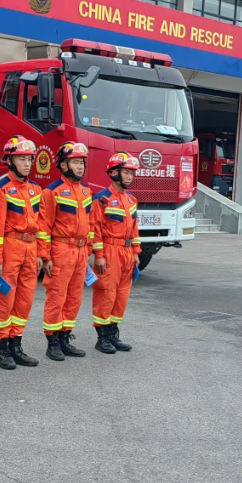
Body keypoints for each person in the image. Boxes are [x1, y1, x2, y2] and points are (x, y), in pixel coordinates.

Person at [0, 136, 44, 369]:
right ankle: (3, 349)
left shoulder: (35, 189)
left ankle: (16, 345)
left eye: (29, 159)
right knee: (5, 300)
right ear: (9, 161)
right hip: (10, 247)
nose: (26, 163)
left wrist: (41, 253)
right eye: (21, 159)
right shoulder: (1, 188)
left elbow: (40, 225)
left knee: (25, 300)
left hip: (30, 248)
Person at [39, 142, 95, 361]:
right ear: (63, 165)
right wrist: (46, 256)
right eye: (75, 162)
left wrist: (88, 249)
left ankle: (65, 337)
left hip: (80, 251)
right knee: (57, 297)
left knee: (74, 297)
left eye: (82, 162)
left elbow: (90, 224)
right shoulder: (52, 191)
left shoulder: (86, 191)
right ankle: (52, 342)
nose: (80, 167)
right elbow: (44, 227)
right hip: (61, 249)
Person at [91, 152, 142, 354]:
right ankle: (102, 337)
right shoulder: (101, 199)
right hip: (110, 252)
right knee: (106, 294)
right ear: (113, 173)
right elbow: (94, 229)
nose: (130, 177)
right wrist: (100, 255)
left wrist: (136, 252)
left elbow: (135, 229)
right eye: (126, 172)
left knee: (121, 295)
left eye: (132, 173)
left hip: (127, 252)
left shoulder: (131, 200)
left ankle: (113, 334)